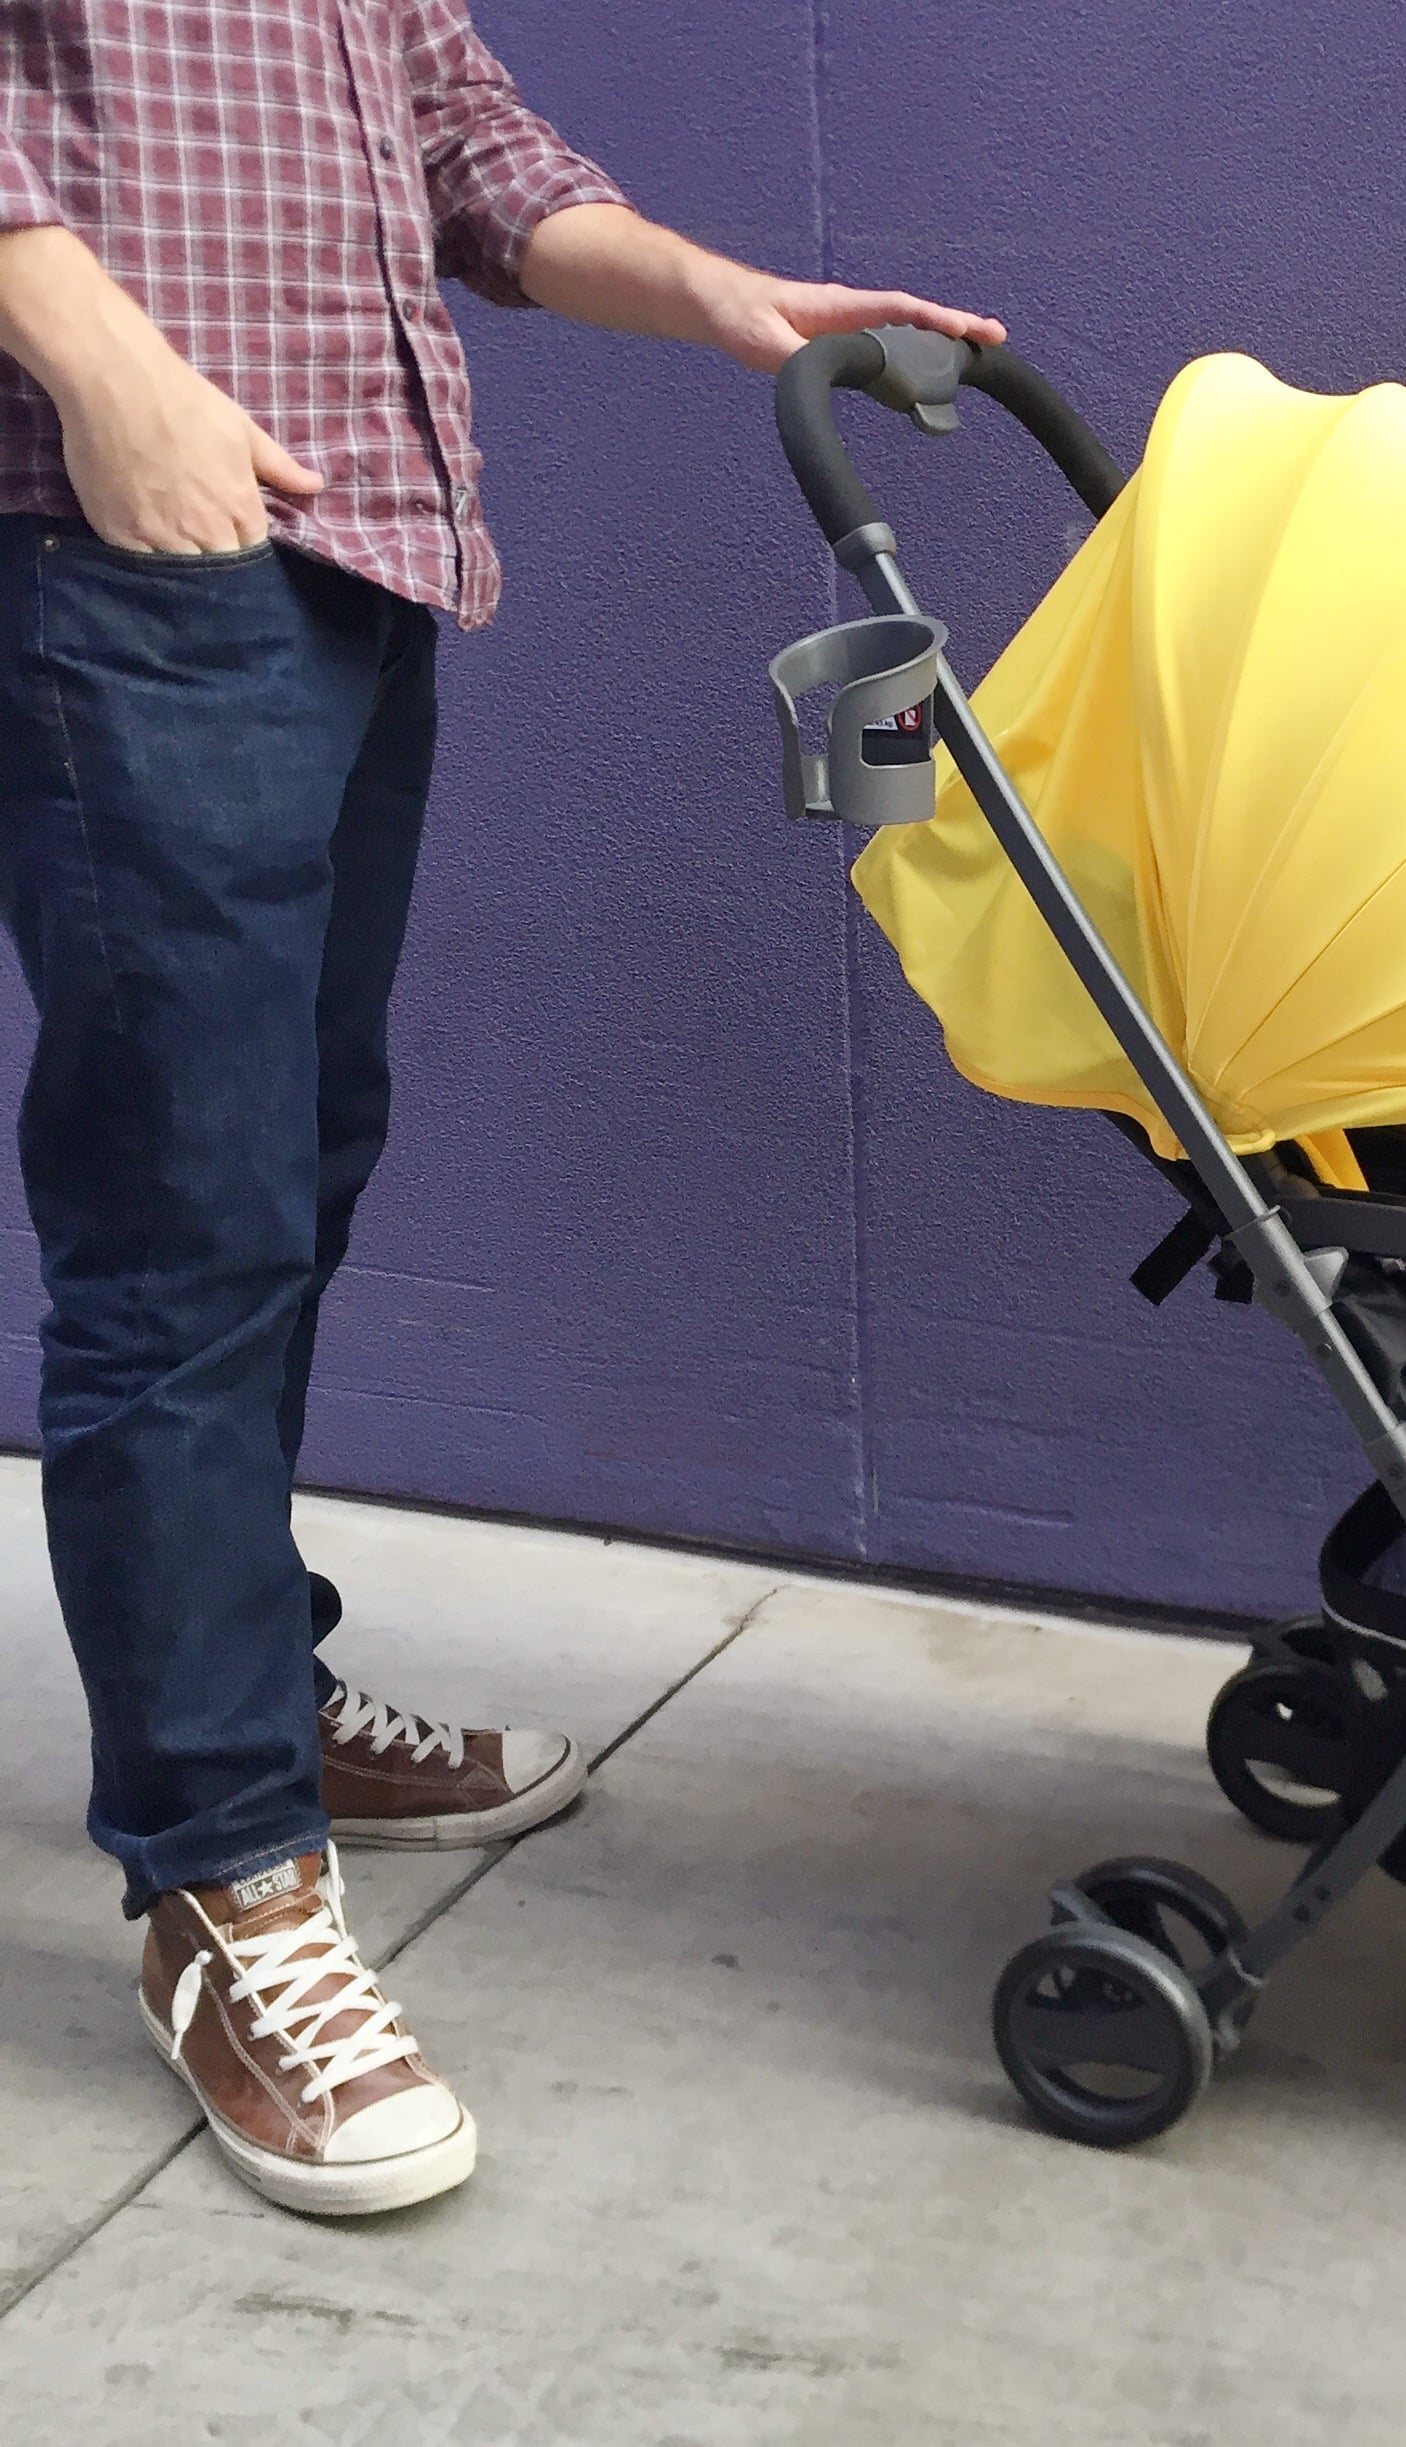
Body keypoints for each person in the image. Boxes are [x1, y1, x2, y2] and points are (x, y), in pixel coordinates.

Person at [0, 3, 1002, 2217]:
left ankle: (248, 1692)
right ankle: (216, 1874)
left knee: (288, 1176)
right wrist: (102, 365)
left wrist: (707, 286)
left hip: (360, 550)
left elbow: (458, 136)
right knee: (184, 1224)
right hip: (127, 542)